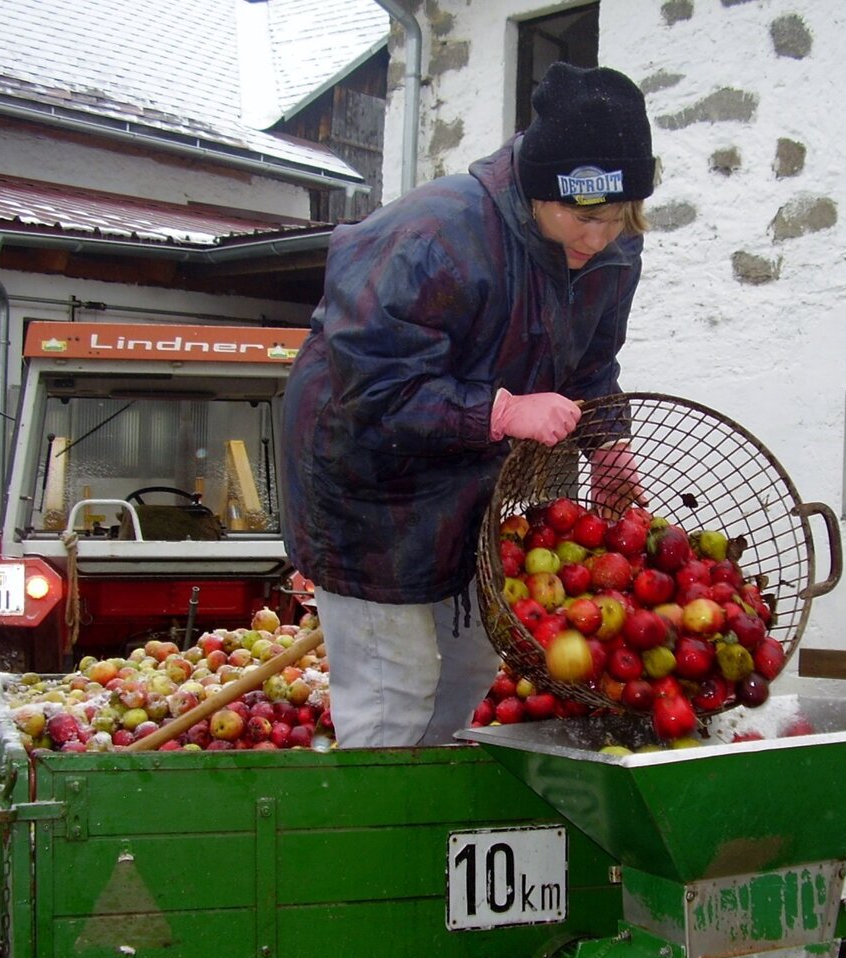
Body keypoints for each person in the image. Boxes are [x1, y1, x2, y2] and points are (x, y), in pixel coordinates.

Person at [280, 62, 656, 748]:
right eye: (585, 216)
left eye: (618, 217)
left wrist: (607, 442)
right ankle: (378, 842)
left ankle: (428, 825)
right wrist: (501, 413)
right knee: (394, 689)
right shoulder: (437, 233)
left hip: (471, 485)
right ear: (542, 190)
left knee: (471, 667)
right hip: (365, 488)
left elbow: (593, 363)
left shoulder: (611, 249)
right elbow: (373, 388)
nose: (599, 238)